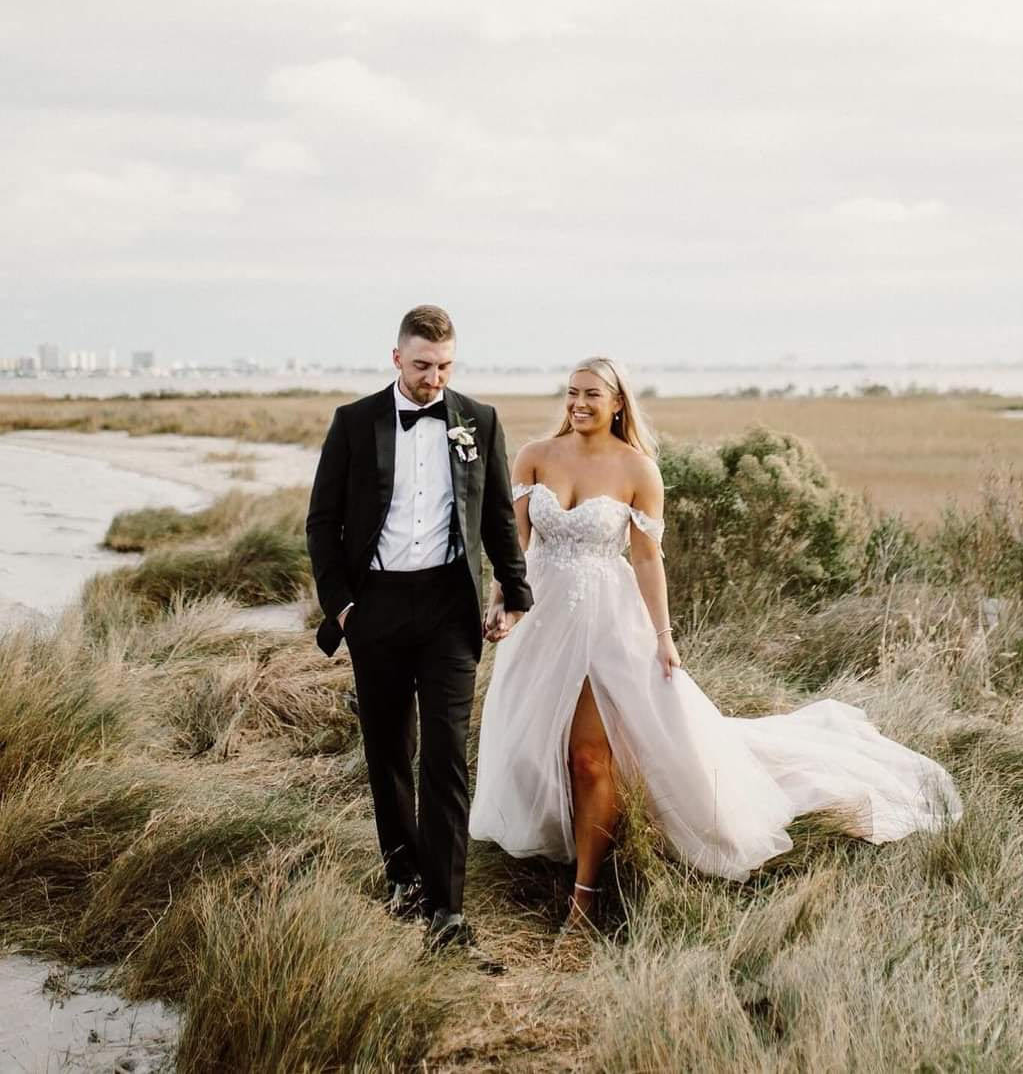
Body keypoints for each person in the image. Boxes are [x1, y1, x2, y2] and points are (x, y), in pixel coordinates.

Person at [470, 356, 962, 928]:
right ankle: (556, 850)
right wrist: (501, 604)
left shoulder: (638, 469)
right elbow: (514, 549)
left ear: (618, 403)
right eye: (572, 392)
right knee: (537, 748)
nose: (578, 403)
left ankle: (585, 897)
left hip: (606, 625)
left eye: (592, 395)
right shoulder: (534, 456)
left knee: (587, 757)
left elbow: (648, 558)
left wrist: (663, 637)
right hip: (541, 621)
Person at [306, 305, 532, 957]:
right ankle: (402, 878)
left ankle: (447, 907)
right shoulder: (353, 423)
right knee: (387, 750)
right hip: (374, 608)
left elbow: (496, 518)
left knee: (445, 755)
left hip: (447, 610)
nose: (435, 378)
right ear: (397, 359)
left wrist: (514, 594)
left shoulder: (478, 421)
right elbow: (322, 523)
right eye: (423, 365)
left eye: (445, 367)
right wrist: (344, 606)